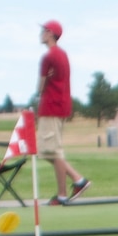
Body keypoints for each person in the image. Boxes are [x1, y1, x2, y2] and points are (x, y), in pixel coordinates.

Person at [35, 21, 88, 201]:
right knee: (48, 150)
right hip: (61, 106)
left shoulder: (49, 56)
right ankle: (73, 183)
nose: (41, 33)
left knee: (52, 151)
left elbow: (40, 87)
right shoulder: (63, 54)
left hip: (51, 107)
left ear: (50, 33)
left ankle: (69, 188)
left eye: (44, 31)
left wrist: (41, 88)